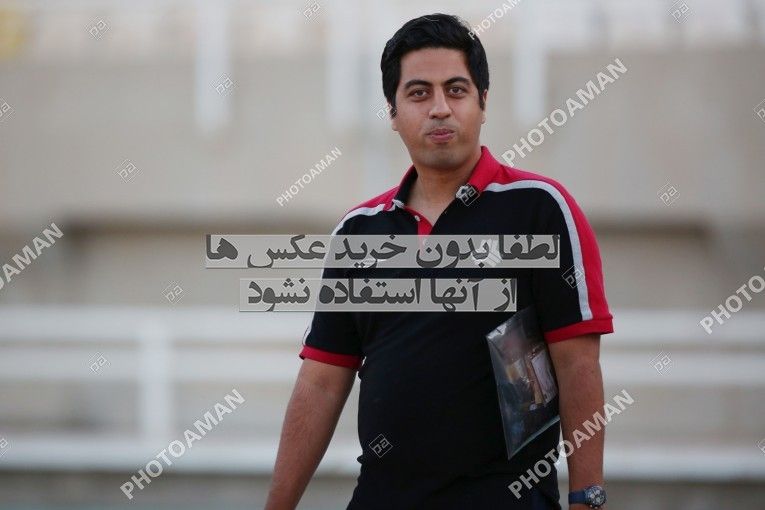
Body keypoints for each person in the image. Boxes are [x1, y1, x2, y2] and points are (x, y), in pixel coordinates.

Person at [265, 13, 613, 510]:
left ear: (483, 102)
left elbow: (578, 364)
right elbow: (321, 383)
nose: (440, 108)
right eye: (418, 93)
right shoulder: (360, 231)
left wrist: (587, 499)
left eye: (456, 90)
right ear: (393, 111)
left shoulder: (539, 208)